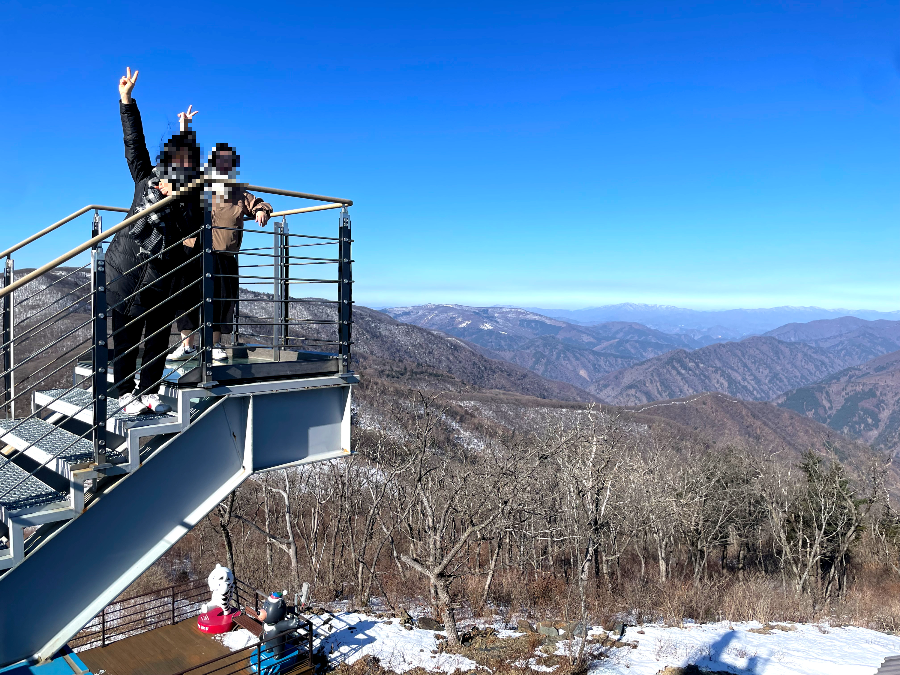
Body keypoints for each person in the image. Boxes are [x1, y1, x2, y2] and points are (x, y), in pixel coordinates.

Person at [106, 67, 203, 414]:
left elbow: (195, 219)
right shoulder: (144, 179)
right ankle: (121, 394)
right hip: (125, 269)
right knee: (126, 335)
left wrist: (185, 132)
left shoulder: (189, 205)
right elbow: (135, 143)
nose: (166, 178)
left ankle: (148, 392)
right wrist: (126, 100)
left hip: (162, 277)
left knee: (159, 335)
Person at [168, 140, 271, 362]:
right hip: (193, 253)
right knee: (187, 299)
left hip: (224, 255)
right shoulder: (199, 187)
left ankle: (215, 345)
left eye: (228, 162)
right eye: (219, 161)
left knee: (221, 301)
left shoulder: (239, 194)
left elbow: (261, 203)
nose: (223, 166)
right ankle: (187, 346)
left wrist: (261, 211)